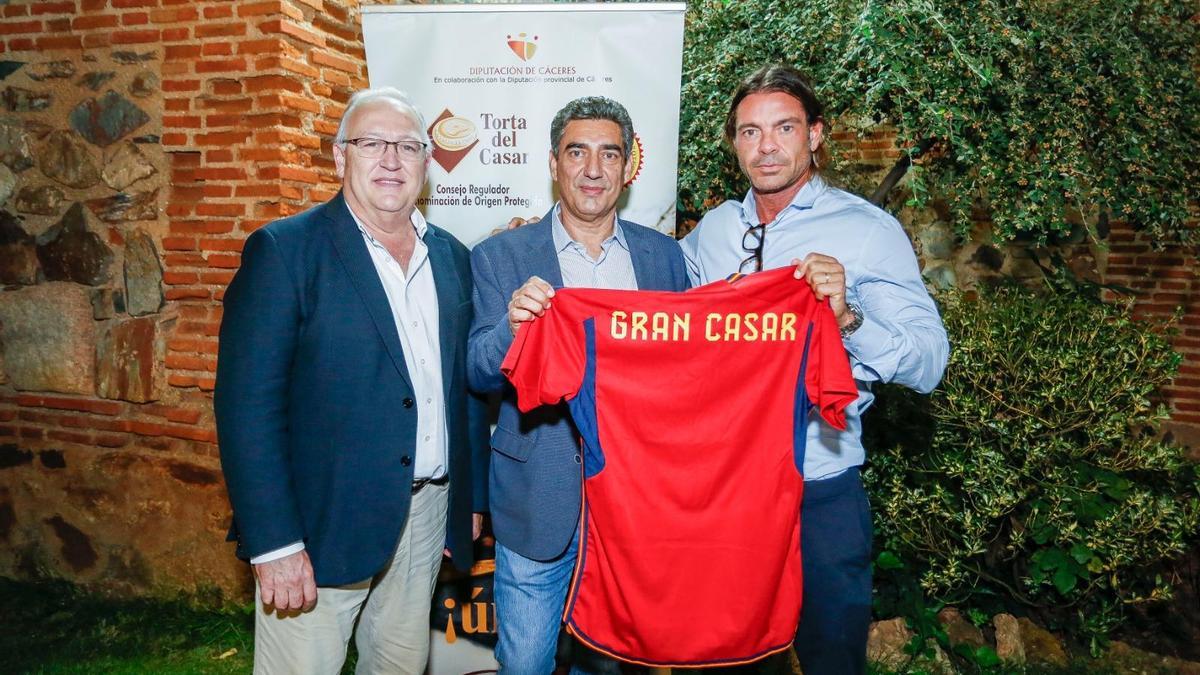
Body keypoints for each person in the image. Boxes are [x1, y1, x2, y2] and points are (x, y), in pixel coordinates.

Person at [681, 64, 949, 675]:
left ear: (816, 135)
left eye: (783, 128)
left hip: (819, 485)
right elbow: (652, 308)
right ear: (734, 143)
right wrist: (552, 241)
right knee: (729, 655)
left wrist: (848, 316)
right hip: (727, 487)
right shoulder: (716, 230)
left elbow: (929, 362)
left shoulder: (867, 231)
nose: (766, 146)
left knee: (832, 653)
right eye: (749, 132)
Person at [214, 87, 488, 675]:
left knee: (398, 665)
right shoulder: (285, 251)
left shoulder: (451, 257)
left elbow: (462, 390)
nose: (391, 159)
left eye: (408, 146)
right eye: (372, 143)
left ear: (426, 163)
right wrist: (275, 543)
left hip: (425, 515)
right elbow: (246, 410)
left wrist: (466, 498)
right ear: (340, 157)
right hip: (320, 523)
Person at [468, 96, 689, 673]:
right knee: (526, 661)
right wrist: (512, 332)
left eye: (609, 153)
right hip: (538, 494)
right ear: (552, 162)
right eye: (577, 152)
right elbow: (475, 369)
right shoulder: (500, 255)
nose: (593, 169)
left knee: (623, 659)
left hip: (637, 501)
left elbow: (683, 376)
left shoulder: (664, 258)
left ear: (626, 166)